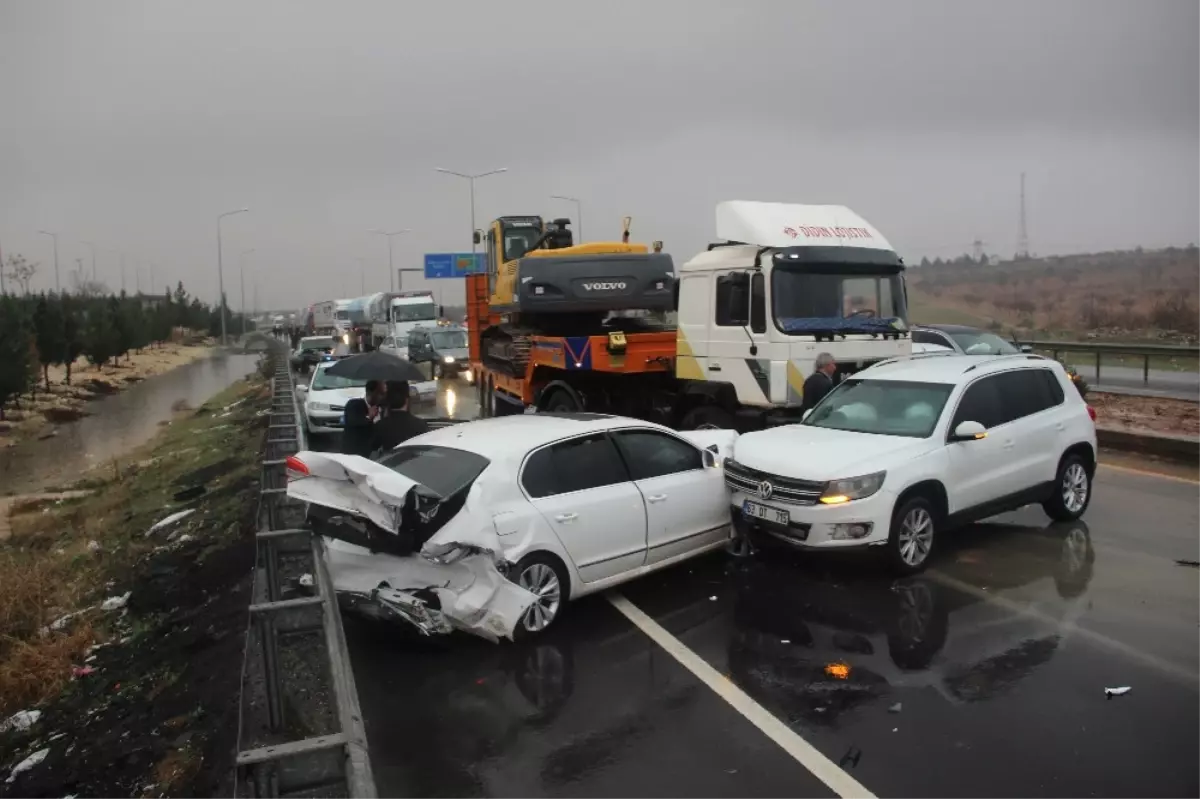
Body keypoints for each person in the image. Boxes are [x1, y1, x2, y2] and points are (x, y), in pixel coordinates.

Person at [370, 380, 430, 457]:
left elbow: (373, 448)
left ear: (388, 400)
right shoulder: (420, 425)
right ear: (407, 399)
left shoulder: (380, 426)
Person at [341, 380, 386, 457]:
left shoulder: (384, 408)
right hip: (355, 454)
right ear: (369, 392)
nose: (382, 397)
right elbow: (353, 422)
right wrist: (369, 417)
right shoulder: (354, 405)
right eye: (380, 394)